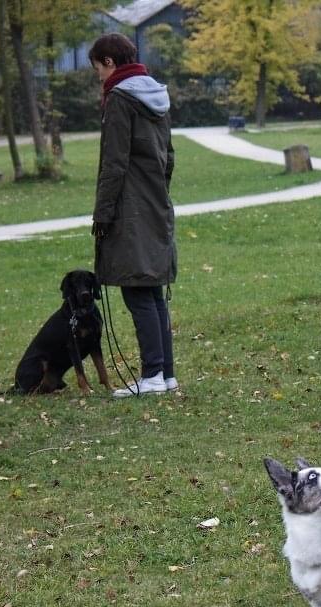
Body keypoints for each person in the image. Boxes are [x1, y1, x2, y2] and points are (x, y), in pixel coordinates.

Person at [88, 33, 178, 397]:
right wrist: (158, 191)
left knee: (138, 291)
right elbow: (169, 156)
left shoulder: (121, 99)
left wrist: (103, 214)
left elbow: (114, 163)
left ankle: (153, 376)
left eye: (96, 67)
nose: (97, 75)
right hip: (155, 201)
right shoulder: (156, 95)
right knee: (152, 289)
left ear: (109, 62)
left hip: (130, 207)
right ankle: (165, 375)